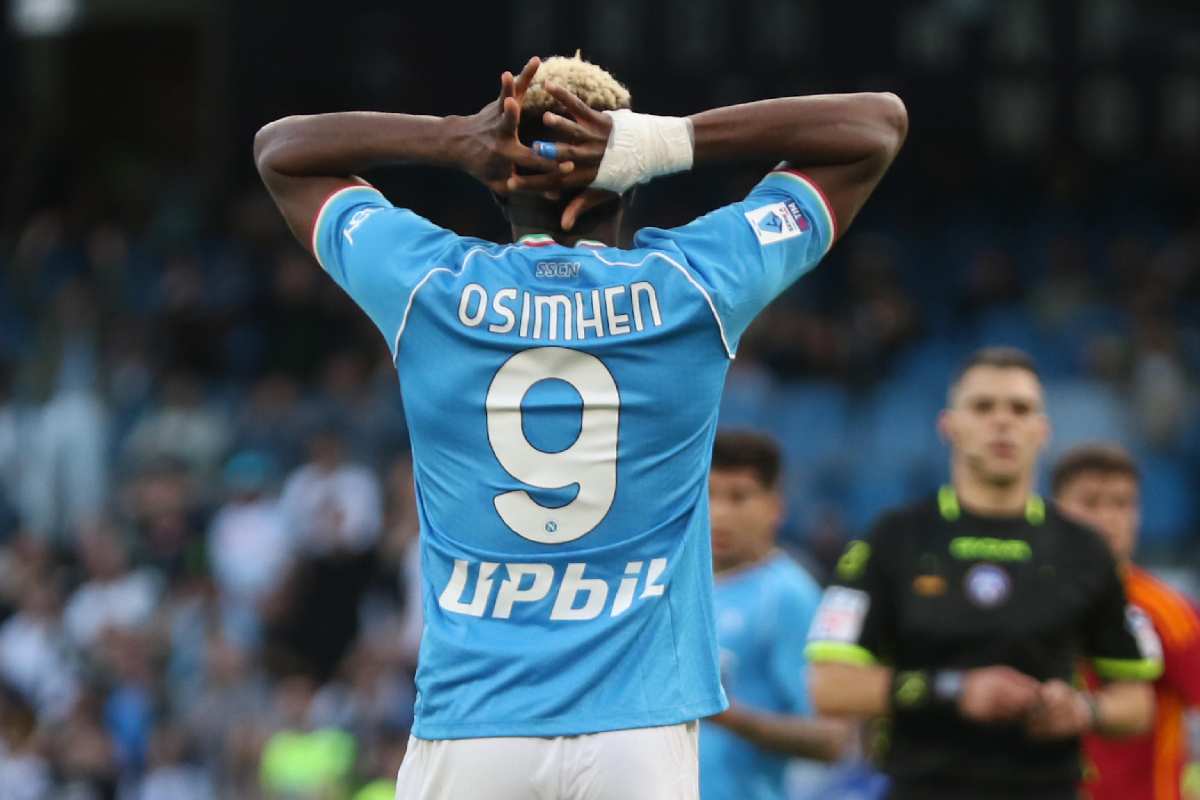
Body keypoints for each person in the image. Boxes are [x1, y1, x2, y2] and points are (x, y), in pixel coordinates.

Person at [256, 53, 905, 799]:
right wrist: (670, 140)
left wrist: (452, 141)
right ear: (627, 171)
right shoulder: (692, 286)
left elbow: (281, 152)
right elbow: (876, 126)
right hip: (640, 733)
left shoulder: (428, 285)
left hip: (474, 725)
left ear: (503, 182)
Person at [807, 347, 1161, 800]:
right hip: (924, 789)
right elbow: (830, 686)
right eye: (983, 406)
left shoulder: (1084, 549)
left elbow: (1135, 701)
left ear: (1042, 431)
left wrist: (1084, 709)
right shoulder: (893, 538)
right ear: (948, 426)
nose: (1002, 421)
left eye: (1020, 409)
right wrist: (953, 689)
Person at [703, 431, 851, 800]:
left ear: (775, 507)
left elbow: (831, 740)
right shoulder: (675, 585)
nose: (719, 513)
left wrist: (727, 716)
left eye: (739, 496)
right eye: (708, 494)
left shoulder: (789, 596)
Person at [1052, 444, 1200, 800]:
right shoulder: (1028, 603)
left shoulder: (1168, 613)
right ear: (1056, 511)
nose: (1108, 518)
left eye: (1122, 504)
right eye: (1090, 503)